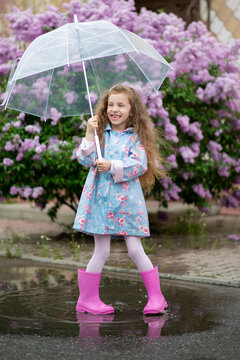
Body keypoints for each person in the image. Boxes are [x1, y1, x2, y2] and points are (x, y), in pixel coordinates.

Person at [73, 84, 168, 315]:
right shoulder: (99, 135)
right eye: (110, 105)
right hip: (101, 201)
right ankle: (87, 299)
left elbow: (139, 165)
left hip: (127, 203)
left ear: (132, 111)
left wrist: (112, 165)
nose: (114, 109)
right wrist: (88, 133)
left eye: (120, 105)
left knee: (135, 249)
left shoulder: (136, 138)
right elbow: (85, 161)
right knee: (101, 251)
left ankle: (156, 298)